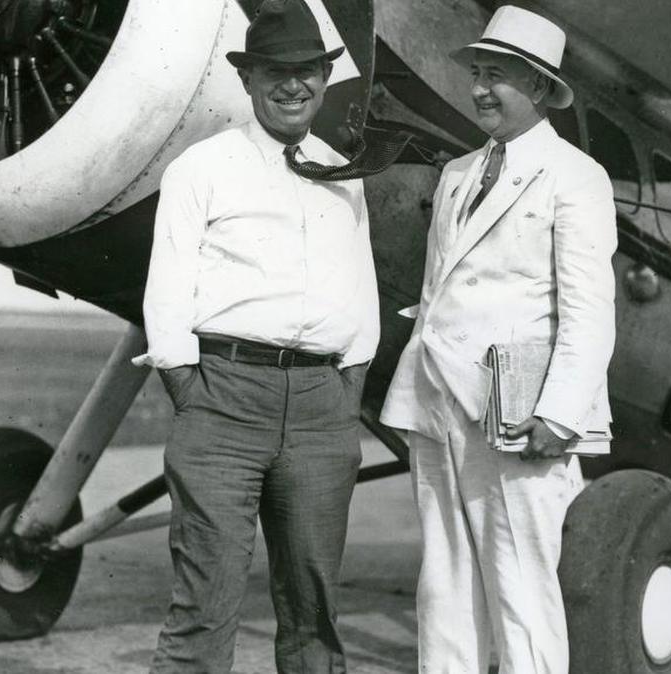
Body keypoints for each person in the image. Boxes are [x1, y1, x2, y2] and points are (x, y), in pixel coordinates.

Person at [130, 1, 379, 671]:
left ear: (325, 80)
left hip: (322, 410)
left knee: (314, 611)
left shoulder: (341, 176)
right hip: (224, 403)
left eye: (308, 72)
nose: (293, 85)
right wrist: (197, 392)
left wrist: (344, 386)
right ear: (248, 78)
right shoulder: (201, 169)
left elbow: (364, 294)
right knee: (204, 607)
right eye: (276, 70)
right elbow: (167, 295)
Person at [379, 4, 618, 673]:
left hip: (520, 413)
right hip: (435, 404)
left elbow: (589, 310)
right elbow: (434, 297)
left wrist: (559, 412)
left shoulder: (576, 176)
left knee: (521, 591)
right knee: (444, 586)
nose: (481, 88)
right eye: (478, 73)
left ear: (540, 88)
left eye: (500, 76)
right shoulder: (457, 175)